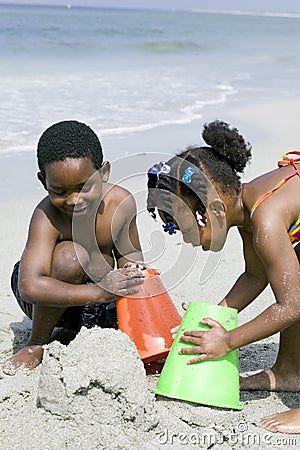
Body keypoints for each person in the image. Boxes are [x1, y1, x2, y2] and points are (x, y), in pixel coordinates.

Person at [147, 120, 300, 433]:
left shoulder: (266, 223)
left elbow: (292, 306)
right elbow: (255, 276)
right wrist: (209, 320)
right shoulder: (251, 212)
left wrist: (228, 340)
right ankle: (289, 371)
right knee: (288, 270)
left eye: (181, 227)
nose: (185, 239)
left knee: (292, 286)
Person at [3, 120, 144, 375]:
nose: (74, 200)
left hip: (91, 300)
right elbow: (30, 286)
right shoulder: (47, 215)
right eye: (59, 191)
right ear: (43, 181)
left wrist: (131, 274)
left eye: (84, 187)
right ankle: (38, 342)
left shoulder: (120, 204)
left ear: (103, 173)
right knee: (71, 256)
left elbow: (130, 258)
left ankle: (72, 331)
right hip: (43, 299)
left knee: (126, 291)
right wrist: (100, 293)